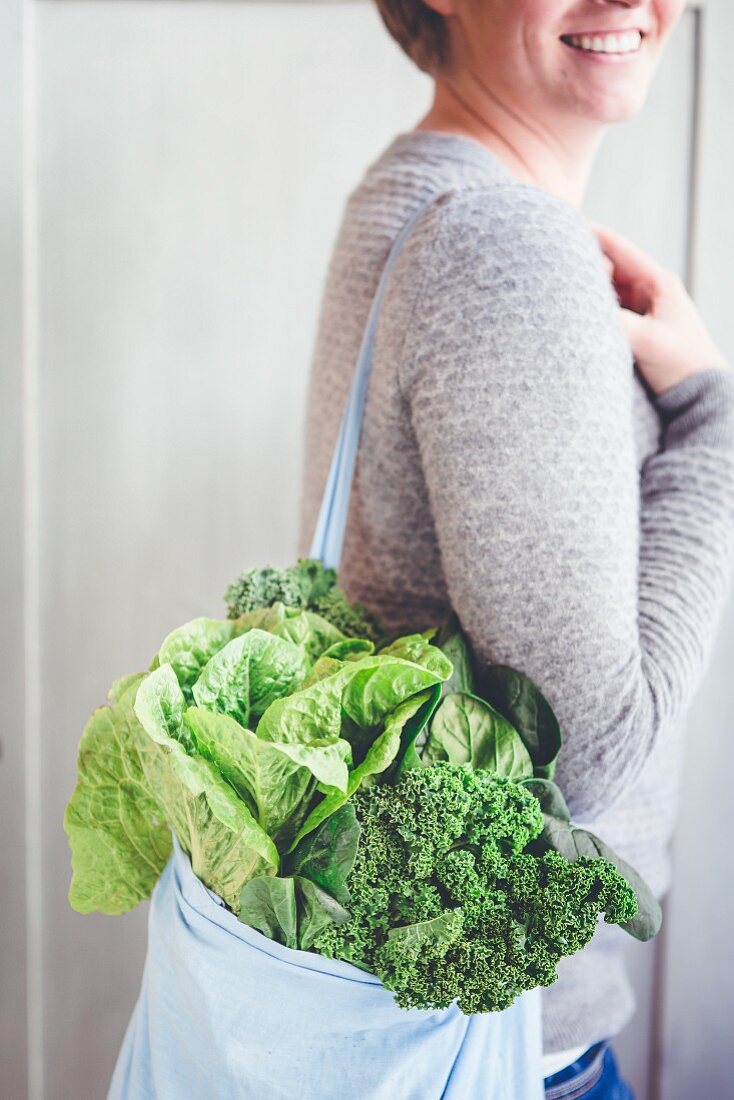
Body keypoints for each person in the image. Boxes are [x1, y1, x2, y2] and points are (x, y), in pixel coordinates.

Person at [298, 1, 734, 1096]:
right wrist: (713, 421)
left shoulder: (415, 193)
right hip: (503, 1054)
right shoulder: (496, 238)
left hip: (425, 1029)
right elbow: (587, 757)